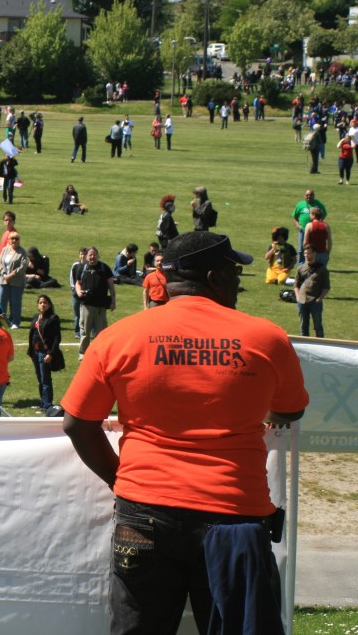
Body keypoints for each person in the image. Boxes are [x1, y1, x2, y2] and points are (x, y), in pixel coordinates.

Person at [61, 231, 307, 635]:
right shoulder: (266, 338)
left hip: (144, 509)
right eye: (233, 271)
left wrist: (120, 479)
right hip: (234, 515)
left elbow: (76, 423)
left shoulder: (119, 337)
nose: (239, 282)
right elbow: (290, 408)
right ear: (215, 277)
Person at [73, 246, 116, 358]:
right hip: (86, 305)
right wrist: (78, 292)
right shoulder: (82, 268)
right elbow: (77, 282)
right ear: (87, 256)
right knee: (85, 332)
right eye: (90, 255)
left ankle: (100, 354)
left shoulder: (104, 268)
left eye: (94, 255)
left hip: (101, 306)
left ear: (98, 255)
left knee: (101, 332)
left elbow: (111, 286)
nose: (92, 257)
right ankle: (83, 354)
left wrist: (113, 301)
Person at [27, 294, 61, 412]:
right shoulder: (36, 317)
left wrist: (50, 353)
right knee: (40, 378)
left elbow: (57, 338)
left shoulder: (53, 318)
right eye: (40, 302)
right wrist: (31, 352)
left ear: (49, 304)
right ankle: (43, 402)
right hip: (35, 352)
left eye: (45, 302)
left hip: (44, 353)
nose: (43, 305)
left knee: (45, 379)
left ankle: (47, 404)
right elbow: (32, 335)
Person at [295, 243, 330, 338]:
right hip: (302, 301)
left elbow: (326, 287)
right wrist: (298, 297)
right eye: (305, 253)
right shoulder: (300, 268)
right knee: (303, 326)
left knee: (318, 326)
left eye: (309, 253)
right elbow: (296, 285)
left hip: (315, 302)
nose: (306, 255)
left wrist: (319, 299)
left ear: (314, 254)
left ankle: (321, 346)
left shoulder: (322, 270)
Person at [0, 231, 28, 329]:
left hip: (16, 281)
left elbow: (23, 266)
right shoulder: (5, 250)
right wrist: (5, 274)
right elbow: (0, 263)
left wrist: (12, 274)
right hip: (4, 279)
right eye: (12, 239)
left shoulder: (22, 252)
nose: (14, 241)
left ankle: (15, 322)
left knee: (15, 303)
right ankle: (1, 322)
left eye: (16, 239)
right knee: (1, 302)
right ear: (9, 240)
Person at [291, 189, 327, 262]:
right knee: (301, 249)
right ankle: (301, 264)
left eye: (310, 195)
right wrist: (297, 225)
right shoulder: (300, 204)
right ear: (304, 196)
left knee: (313, 248)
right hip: (303, 230)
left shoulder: (318, 204)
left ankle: (313, 262)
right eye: (307, 195)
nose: (309, 196)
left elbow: (324, 214)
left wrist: (319, 222)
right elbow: (294, 216)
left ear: (313, 196)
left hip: (314, 231)